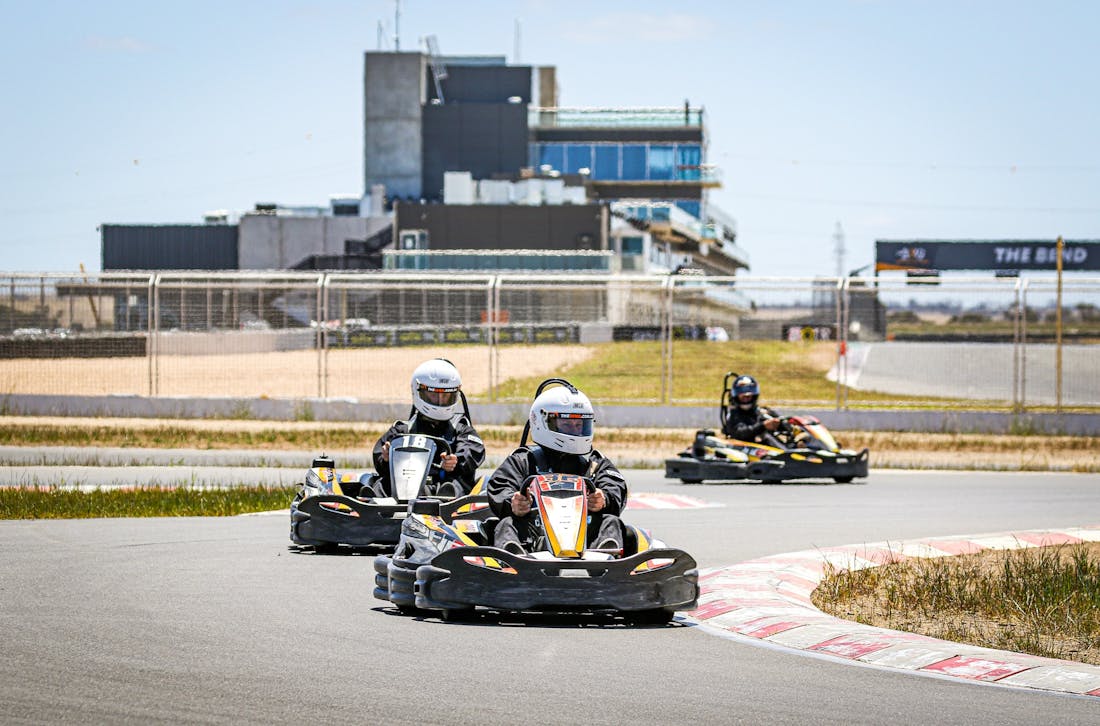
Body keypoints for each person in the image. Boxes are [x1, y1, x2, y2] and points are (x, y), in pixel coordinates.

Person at [487, 382, 627, 555]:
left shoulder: (594, 463)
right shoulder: (523, 460)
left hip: (585, 533)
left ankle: (606, 556)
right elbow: (500, 486)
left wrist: (603, 499)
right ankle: (512, 557)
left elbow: (615, 486)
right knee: (506, 524)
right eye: (567, 424)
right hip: (534, 532)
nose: (575, 431)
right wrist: (513, 502)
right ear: (544, 421)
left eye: (579, 425)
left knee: (611, 521)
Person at [372, 358, 485, 497]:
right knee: (380, 482)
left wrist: (455, 461)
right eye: (433, 395)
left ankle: (441, 498)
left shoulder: (461, 430)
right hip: (405, 485)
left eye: (445, 395)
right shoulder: (402, 430)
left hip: (445, 489)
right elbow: (379, 456)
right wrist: (386, 458)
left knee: (456, 485)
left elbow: (472, 451)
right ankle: (371, 500)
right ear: (418, 391)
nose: (440, 400)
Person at [722, 374, 784, 446]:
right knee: (767, 438)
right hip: (744, 448)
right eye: (742, 394)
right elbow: (739, 433)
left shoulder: (763, 411)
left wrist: (784, 423)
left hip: (768, 447)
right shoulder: (733, 415)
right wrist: (763, 426)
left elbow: (780, 421)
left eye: (748, 394)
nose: (746, 396)